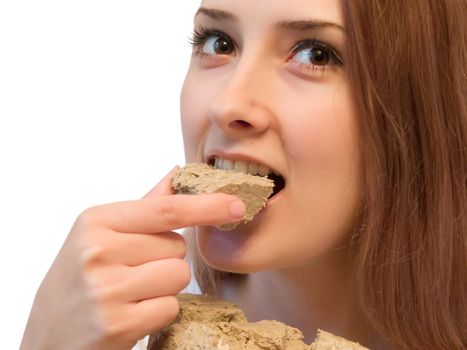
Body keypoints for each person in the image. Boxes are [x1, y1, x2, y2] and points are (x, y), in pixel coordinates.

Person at [20, 0, 466, 349]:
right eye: (219, 42)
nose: (227, 103)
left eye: (316, 53)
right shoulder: (109, 326)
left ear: (425, 105)